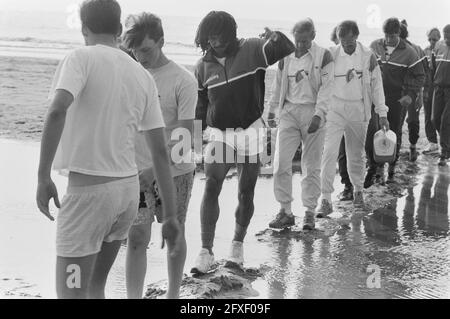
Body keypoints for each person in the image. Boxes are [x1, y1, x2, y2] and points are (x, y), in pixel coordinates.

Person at [36, 0, 179, 299]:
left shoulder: (80, 58)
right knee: (93, 286)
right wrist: (171, 217)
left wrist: (43, 176)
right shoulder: (142, 75)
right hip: (126, 196)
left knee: (72, 292)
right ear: (118, 28)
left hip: (89, 198)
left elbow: (56, 111)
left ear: (84, 28)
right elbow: (160, 151)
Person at [191, 11, 295, 274]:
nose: (216, 43)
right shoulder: (202, 66)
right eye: (211, 38)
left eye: (221, 37)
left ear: (231, 34)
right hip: (220, 133)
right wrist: (193, 141)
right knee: (212, 184)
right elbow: (200, 107)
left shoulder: (251, 49)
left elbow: (287, 48)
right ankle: (205, 251)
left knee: (245, 191)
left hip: (251, 130)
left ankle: (237, 247)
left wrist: (275, 37)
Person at [122, 13, 197, 299]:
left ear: (162, 42)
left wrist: (155, 170)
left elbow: (186, 134)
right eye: (135, 51)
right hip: (135, 171)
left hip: (175, 171)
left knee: (173, 234)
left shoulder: (183, 80)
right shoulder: (130, 76)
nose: (140, 57)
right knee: (137, 236)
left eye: (146, 50)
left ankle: (174, 295)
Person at [266, 19, 333, 230]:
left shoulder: (324, 56)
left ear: (313, 36)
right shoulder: (286, 57)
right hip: (288, 112)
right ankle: (285, 211)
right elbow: (278, 84)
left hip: (312, 112)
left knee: (311, 165)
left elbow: (327, 88)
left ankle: (310, 212)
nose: (301, 45)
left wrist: (319, 115)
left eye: (305, 41)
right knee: (280, 164)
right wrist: (272, 108)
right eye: (298, 41)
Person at [318, 20, 389, 217]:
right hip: (335, 109)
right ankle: (325, 199)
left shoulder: (368, 56)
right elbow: (320, 81)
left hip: (359, 109)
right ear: (338, 38)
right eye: (342, 41)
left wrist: (382, 114)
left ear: (356, 37)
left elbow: (377, 87)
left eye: (350, 42)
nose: (346, 45)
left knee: (355, 154)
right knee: (329, 152)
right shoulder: (331, 54)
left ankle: (358, 192)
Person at [365, 17, 425, 186]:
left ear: (399, 33)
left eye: (392, 35)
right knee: (374, 132)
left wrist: (410, 95)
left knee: (394, 133)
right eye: (386, 35)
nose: (389, 39)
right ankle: (376, 168)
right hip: (375, 97)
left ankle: (391, 169)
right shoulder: (375, 46)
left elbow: (420, 76)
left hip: (396, 98)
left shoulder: (409, 51)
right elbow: (365, 68)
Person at [399, 20, 428, 162]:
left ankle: (412, 147)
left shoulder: (416, 49)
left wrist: (420, 95)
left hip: (412, 90)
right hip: (397, 91)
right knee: (396, 122)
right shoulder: (391, 51)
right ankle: (394, 150)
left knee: (412, 121)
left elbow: (423, 74)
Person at [433, 24, 450, 166]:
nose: (447, 39)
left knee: (445, 121)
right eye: (445, 36)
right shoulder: (439, 46)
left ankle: (444, 153)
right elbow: (432, 67)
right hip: (438, 88)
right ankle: (447, 144)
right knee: (435, 119)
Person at [423, 27, 442, 154]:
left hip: (440, 88)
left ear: (439, 39)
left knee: (438, 117)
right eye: (429, 39)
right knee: (428, 116)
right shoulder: (425, 51)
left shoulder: (443, 50)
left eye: (434, 39)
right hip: (427, 87)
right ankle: (432, 143)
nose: (431, 41)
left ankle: (445, 142)